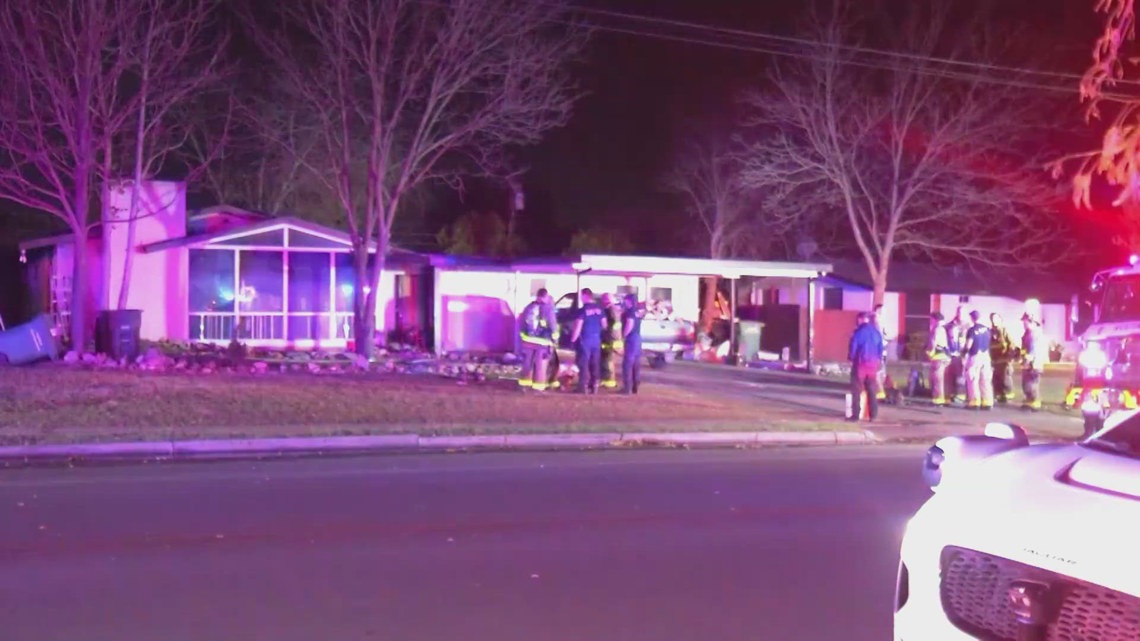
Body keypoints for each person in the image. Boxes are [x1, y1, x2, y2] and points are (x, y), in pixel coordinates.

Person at [516, 289, 557, 392]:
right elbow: (552, 324)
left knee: (527, 363)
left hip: (527, 341)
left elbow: (521, 322)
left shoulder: (528, 307)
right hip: (542, 342)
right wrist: (555, 339)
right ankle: (538, 387)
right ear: (545, 296)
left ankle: (524, 385)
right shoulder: (548, 308)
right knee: (540, 365)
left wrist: (522, 337)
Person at [848, 311, 885, 421]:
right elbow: (880, 349)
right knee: (872, 390)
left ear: (860, 319)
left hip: (860, 364)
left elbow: (853, 348)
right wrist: (878, 360)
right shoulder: (876, 333)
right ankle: (873, 415)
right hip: (873, 364)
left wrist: (851, 358)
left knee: (856, 390)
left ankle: (856, 415)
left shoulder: (858, 333)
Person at [569, 288, 605, 394]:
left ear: (585, 296)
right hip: (596, 339)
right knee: (595, 363)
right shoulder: (600, 309)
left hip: (585, 340)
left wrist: (573, 340)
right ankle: (595, 385)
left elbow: (578, 326)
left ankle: (583, 386)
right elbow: (604, 325)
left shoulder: (582, 310)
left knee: (583, 363)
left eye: (581, 296)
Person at [963, 310, 994, 410]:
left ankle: (974, 402)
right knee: (985, 379)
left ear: (972, 318)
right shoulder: (987, 329)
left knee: (973, 379)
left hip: (975, 356)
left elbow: (968, 345)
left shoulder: (972, 330)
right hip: (986, 356)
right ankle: (987, 402)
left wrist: (963, 353)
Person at [1021, 312, 1048, 411]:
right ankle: (1030, 401)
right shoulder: (1029, 334)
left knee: (1031, 383)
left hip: (1034, 363)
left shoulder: (1034, 334)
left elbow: (1033, 350)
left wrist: (1028, 360)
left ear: (1032, 322)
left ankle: (1035, 402)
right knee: (1027, 383)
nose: (1024, 324)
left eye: (1026, 322)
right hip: (1031, 362)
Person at [989, 312, 1016, 403]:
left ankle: (1007, 395)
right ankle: (998, 395)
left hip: (1004, 361)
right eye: (992, 319)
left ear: (1000, 320)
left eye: (996, 319)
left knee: (1005, 378)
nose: (994, 321)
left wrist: (1009, 357)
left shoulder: (1005, 331)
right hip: (995, 361)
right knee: (996, 379)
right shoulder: (990, 332)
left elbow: (1012, 345)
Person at [926, 312, 951, 405]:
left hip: (938, 357)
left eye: (931, 319)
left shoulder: (936, 329)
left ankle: (938, 400)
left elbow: (933, 343)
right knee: (942, 380)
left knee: (937, 380)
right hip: (945, 357)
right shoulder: (943, 329)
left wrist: (929, 353)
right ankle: (945, 398)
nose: (930, 321)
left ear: (935, 319)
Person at [620, 293, 643, 395]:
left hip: (631, 338)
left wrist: (624, 335)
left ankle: (627, 388)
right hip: (637, 338)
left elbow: (629, 323)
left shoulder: (629, 312)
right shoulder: (637, 311)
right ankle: (635, 386)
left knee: (627, 364)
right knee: (636, 364)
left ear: (628, 301)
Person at [599, 293, 622, 389]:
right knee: (606, 359)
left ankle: (610, 381)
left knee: (608, 360)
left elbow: (610, 325)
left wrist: (606, 334)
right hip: (613, 338)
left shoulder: (610, 310)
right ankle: (606, 379)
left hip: (610, 339)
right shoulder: (614, 309)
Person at [872, 304, 890, 400]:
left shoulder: (881, 322)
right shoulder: (877, 320)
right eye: (881, 310)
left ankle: (880, 391)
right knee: (879, 370)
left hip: (882, 348)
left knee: (880, 370)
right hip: (880, 348)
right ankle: (879, 390)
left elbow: (884, 335)